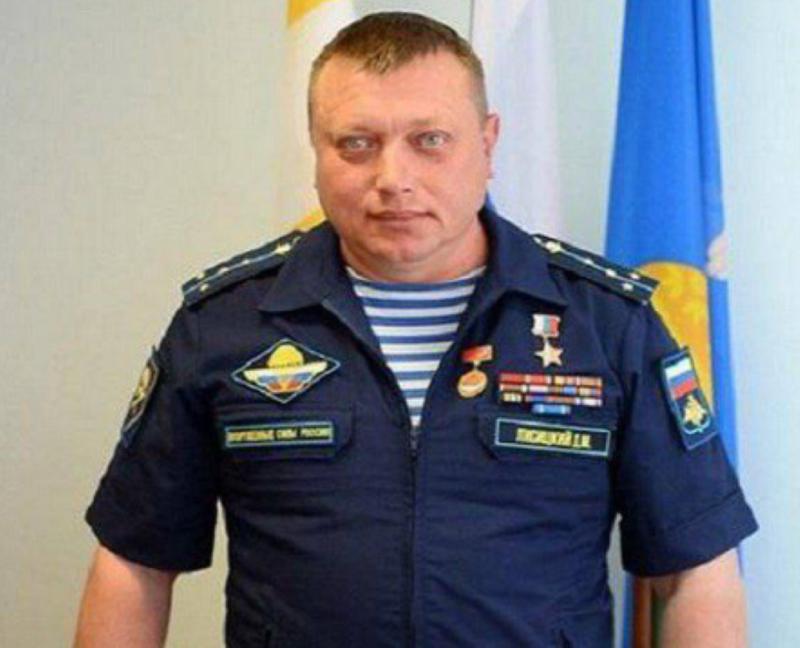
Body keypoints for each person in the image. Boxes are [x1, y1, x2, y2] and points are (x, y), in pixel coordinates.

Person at [74, 12, 757, 648]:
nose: (393, 178)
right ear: (316, 150)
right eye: (357, 144)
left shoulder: (607, 324)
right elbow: (135, 560)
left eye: (430, 141)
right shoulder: (225, 324)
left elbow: (695, 567)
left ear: (487, 143)